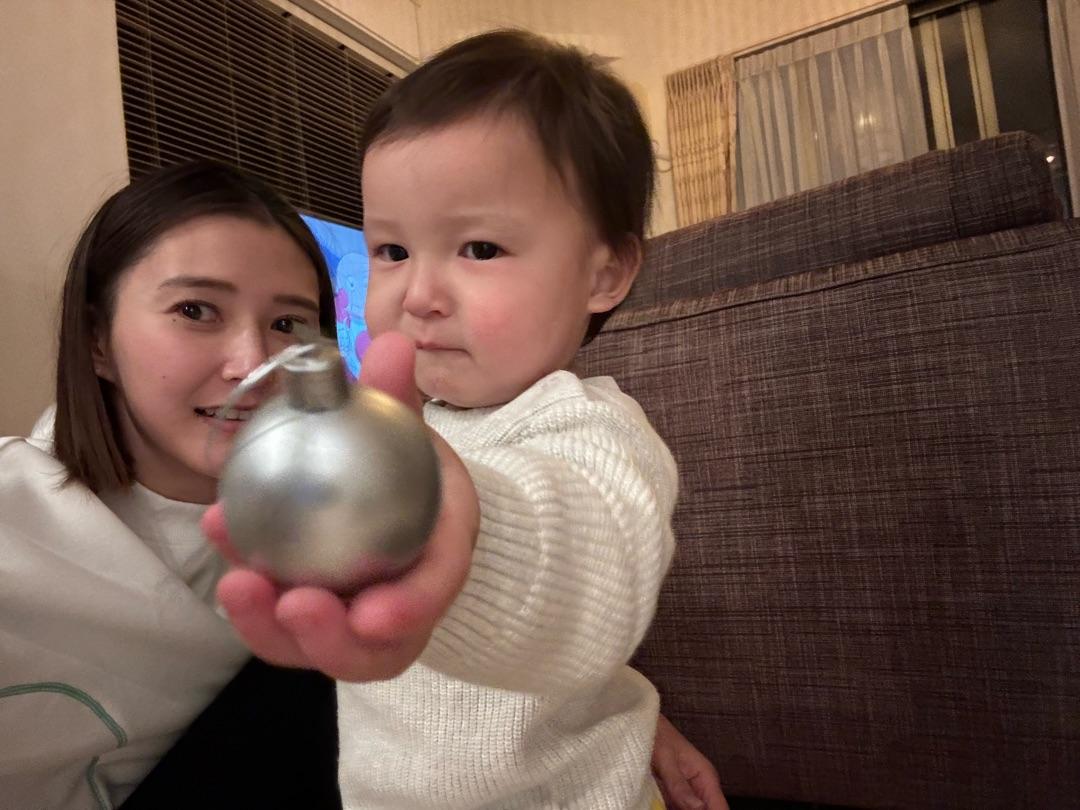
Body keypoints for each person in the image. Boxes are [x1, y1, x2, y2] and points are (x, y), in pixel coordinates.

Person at [0, 159, 724, 809]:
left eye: (288, 322)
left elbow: (567, 519)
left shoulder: (332, 505)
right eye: (196, 311)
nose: (252, 362)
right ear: (97, 338)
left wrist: (595, 700)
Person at [205, 30, 729, 810]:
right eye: (391, 251)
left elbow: (589, 565)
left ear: (605, 272)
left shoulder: (595, 431)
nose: (418, 295)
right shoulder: (389, 425)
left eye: (479, 248)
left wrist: (459, 524)